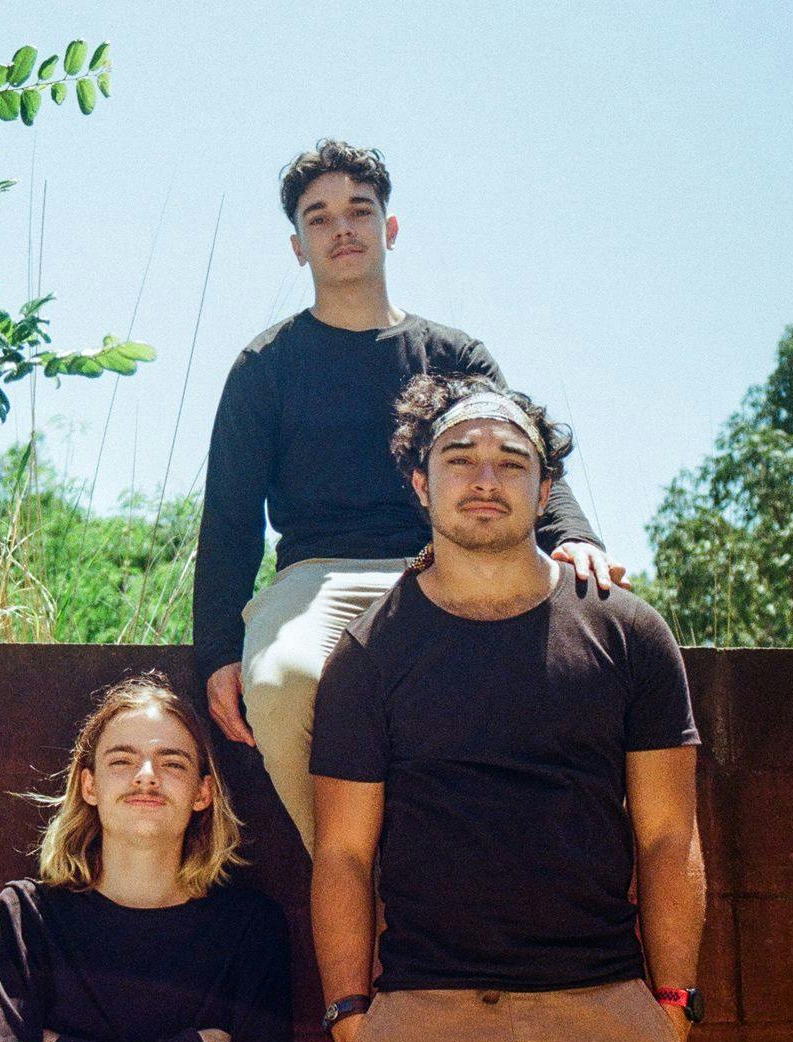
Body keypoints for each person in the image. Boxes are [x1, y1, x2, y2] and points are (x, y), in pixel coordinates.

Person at [309, 375, 706, 1042]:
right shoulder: (370, 653)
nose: (484, 479)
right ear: (421, 483)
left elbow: (669, 837)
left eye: (510, 461)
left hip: (607, 1024)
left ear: (545, 489)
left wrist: (668, 1011)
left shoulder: (628, 633)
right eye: (459, 457)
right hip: (432, 1032)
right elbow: (344, 853)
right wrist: (354, 1023)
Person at [195, 139, 627, 850]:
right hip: (316, 578)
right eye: (320, 217)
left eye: (360, 210)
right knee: (280, 683)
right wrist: (216, 651)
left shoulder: (453, 356)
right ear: (298, 245)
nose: (343, 228)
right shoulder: (264, 367)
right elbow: (231, 519)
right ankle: (358, 875)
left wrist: (573, 537)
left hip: (445, 568)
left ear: (389, 229)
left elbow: (514, 456)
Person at [0, 672, 293, 1042]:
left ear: (202, 792)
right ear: (90, 785)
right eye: (122, 760)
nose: (146, 776)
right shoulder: (27, 916)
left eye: (173, 763)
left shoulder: (250, 927)